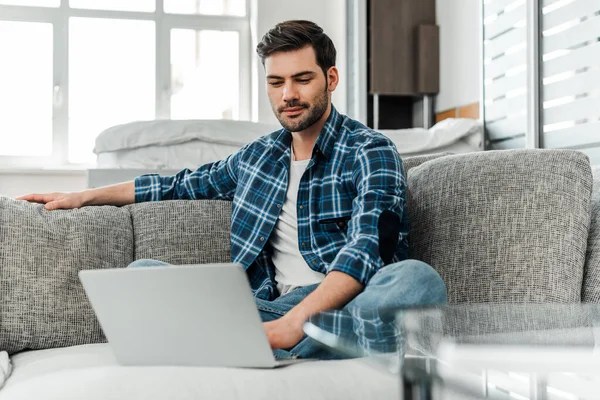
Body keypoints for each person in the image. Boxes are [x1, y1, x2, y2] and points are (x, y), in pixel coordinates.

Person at [17, 20, 447, 360]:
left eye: (302, 79)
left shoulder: (371, 150)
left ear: (330, 78)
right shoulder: (256, 158)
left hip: (343, 307)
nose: (289, 95)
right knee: (142, 273)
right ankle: (282, 343)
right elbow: (179, 184)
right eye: (276, 82)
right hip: (265, 312)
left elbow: (368, 247)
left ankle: (265, 342)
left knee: (416, 281)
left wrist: (291, 325)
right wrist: (84, 196)